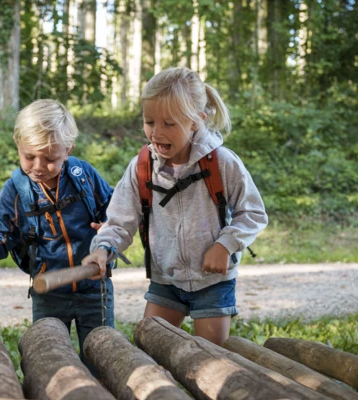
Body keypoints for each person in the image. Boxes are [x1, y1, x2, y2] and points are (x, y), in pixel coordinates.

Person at [82, 67, 268, 346]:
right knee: (150, 349)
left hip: (212, 283)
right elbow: (119, 222)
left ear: (196, 122)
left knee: (211, 359)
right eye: (149, 122)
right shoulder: (141, 167)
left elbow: (253, 213)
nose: (156, 133)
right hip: (165, 281)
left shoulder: (222, 163)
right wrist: (103, 248)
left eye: (169, 124)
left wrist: (225, 245)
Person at [0, 99, 115, 374]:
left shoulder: (84, 176)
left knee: (101, 358)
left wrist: (106, 233)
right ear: (18, 146)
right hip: (48, 292)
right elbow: (1, 238)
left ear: (68, 150)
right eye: (29, 156)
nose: (38, 166)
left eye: (50, 159)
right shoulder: (15, 191)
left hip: (93, 290)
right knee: (49, 360)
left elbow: (115, 213)